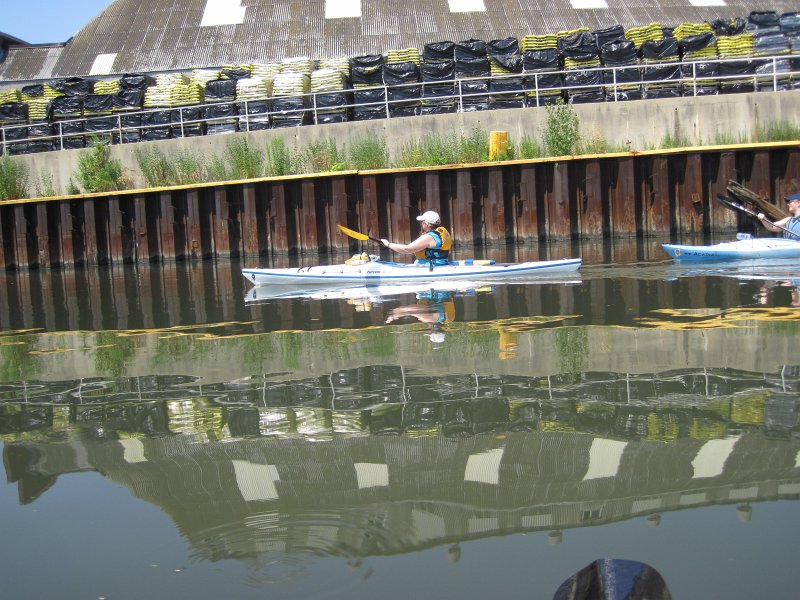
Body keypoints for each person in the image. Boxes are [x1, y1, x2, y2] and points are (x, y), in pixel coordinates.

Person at [380, 210, 452, 266]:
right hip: (441, 263)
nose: (421, 224)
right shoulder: (441, 231)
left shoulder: (429, 237)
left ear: (427, 224)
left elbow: (407, 249)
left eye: (422, 222)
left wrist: (388, 244)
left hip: (429, 266)